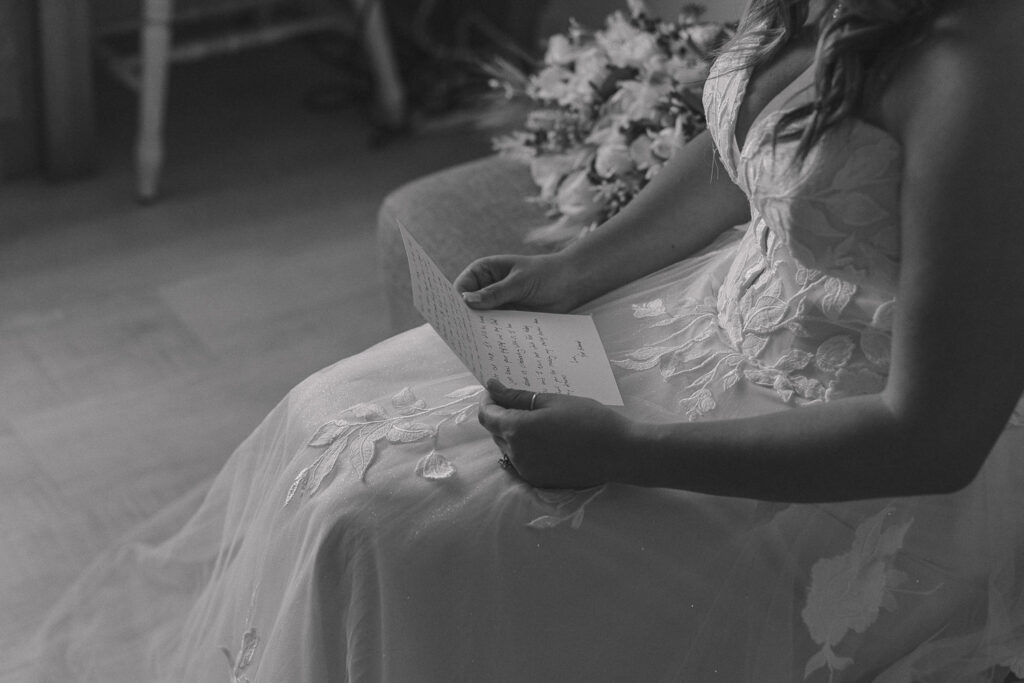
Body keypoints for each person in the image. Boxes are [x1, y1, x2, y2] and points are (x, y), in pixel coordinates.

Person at [22, 0, 1024, 680]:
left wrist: (624, 450)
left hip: (854, 445)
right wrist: (568, 273)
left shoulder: (978, 68)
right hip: (712, 311)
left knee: (392, 539)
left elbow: (935, 436)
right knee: (326, 428)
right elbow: (739, 154)